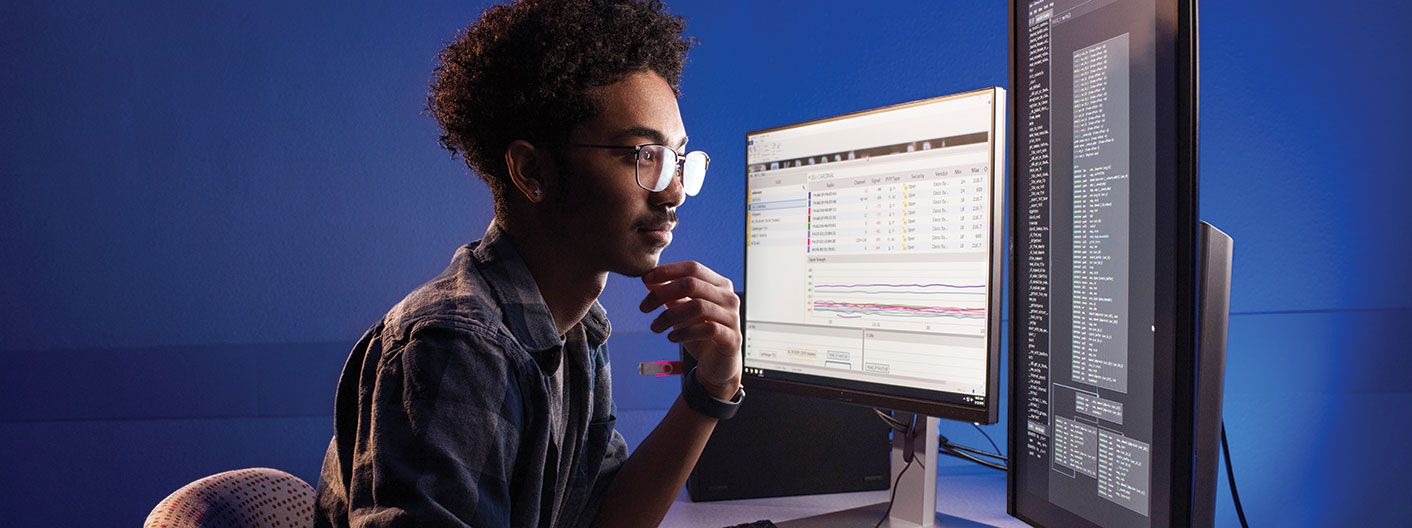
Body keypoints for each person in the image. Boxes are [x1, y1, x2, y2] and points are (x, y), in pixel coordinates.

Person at [312, 1, 743, 527]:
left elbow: (604, 520)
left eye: (677, 158)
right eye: (642, 156)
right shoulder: (457, 348)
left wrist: (713, 388)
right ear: (532, 169)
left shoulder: (577, 332)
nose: (674, 192)